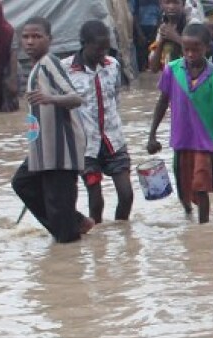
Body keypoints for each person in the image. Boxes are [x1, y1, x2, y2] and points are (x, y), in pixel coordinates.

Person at [146, 22, 213, 224]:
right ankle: (188, 214)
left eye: (196, 49)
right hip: (181, 140)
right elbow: (162, 101)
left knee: (201, 187)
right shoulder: (172, 70)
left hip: (205, 142)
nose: (190, 54)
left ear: (207, 48)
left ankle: (204, 228)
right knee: (183, 188)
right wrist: (152, 135)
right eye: (186, 49)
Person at [11, 16, 93, 244]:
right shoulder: (36, 67)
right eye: (26, 37)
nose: (30, 41)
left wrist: (50, 98)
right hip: (43, 150)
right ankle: (75, 221)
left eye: (36, 36)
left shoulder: (49, 64)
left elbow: (75, 98)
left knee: (65, 232)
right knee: (22, 183)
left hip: (60, 152)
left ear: (49, 39)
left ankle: (70, 239)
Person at [65, 21, 134, 224]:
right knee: (95, 201)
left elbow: (115, 98)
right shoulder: (66, 69)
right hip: (85, 146)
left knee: (126, 194)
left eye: (106, 49)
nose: (102, 54)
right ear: (83, 44)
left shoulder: (112, 65)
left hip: (114, 140)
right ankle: (97, 238)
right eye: (98, 49)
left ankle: (122, 231)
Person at [148, 0, 190, 73]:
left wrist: (175, 37)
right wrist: (161, 42)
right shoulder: (163, 27)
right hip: (170, 77)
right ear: (161, 5)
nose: (171, 7)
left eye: (176, 3)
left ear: (183, 4)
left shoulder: (192, 24)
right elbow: (154, 68)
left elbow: (197, 56)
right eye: (167, 3)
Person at [0, 1, 18, 112]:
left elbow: (13, 53)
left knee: (7, 106)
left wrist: (13, 79)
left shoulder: (8, 31)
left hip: (4, 69)